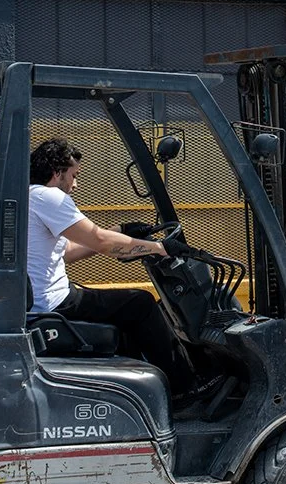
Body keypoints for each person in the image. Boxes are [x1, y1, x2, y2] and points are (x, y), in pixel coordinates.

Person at [27, 137, 210, 399]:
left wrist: (122, 231)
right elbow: (102, 243)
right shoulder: (49, 197)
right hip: (53, 303)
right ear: (57, 173)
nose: (75, 184)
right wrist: (159, 247)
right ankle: (185, 389)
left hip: (44, 299)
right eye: (73, 175)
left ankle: (141, 392)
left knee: (124, 312)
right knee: (141, 303)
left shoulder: (29, 197)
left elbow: (68, 252)